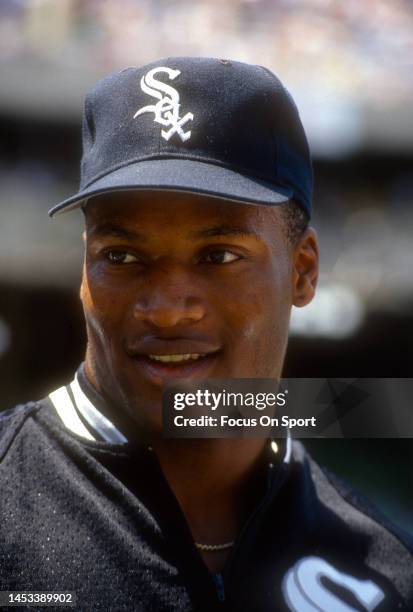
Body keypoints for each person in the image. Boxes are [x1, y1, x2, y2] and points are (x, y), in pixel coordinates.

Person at [0, 57, 411, 612]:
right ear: (83, 269)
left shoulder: (383, 573)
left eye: (218, 256)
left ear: (302, 271)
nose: (167, 310)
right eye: (120, 256)